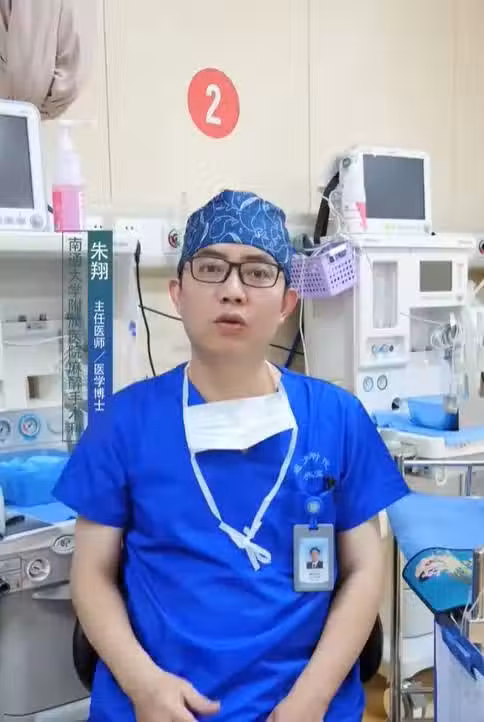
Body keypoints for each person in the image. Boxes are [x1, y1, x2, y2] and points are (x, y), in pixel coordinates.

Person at [54, 189, 410, 722]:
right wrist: (144, 686)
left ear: (288, 302)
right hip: (155, 704)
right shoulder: (123, 423)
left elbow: (364, 569)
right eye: (211, 268)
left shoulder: (337, 419)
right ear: (178, 293)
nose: (234, 291)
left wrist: (311, 700)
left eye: (259, 272)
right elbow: (91, 575)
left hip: (304, 704)